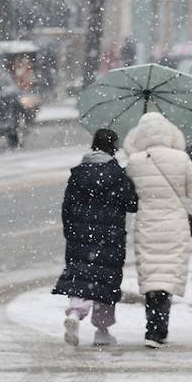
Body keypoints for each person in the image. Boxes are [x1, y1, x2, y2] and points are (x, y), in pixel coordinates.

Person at [53, 129, 138, 346]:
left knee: (80, 277)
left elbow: (67, 207)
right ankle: (102, 331)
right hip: (109, 237)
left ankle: (74, 313)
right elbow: (132, 205)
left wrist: (70, 232)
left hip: (80, 236)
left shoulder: (78, 173)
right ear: (114, 147)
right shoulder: (117, 175)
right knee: (105, 281)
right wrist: (130, 181)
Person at [123, 112, 192, 349]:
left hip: (148, 223)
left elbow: (130, 192)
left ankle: (153, 329)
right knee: (167, 275)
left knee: (152, 276)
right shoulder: (181, 158)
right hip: (175, 224)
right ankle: (160, 330)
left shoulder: (135, 161)